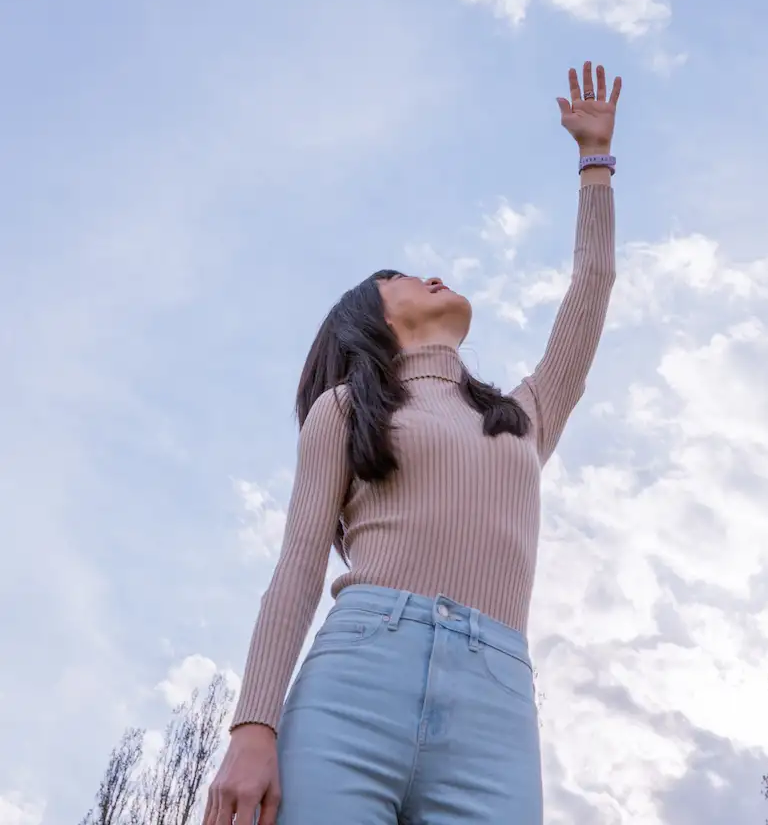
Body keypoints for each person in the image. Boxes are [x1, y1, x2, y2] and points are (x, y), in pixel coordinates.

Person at [204, 61, 620, 825]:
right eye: (397, 276)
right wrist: (252, 727)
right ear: (371, 316)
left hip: (494, 703)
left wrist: (596, 162)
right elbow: (297, 568)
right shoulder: (344, 411)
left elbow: (591, 289)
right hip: (357, 678)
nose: (427, 274)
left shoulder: (525, 414)